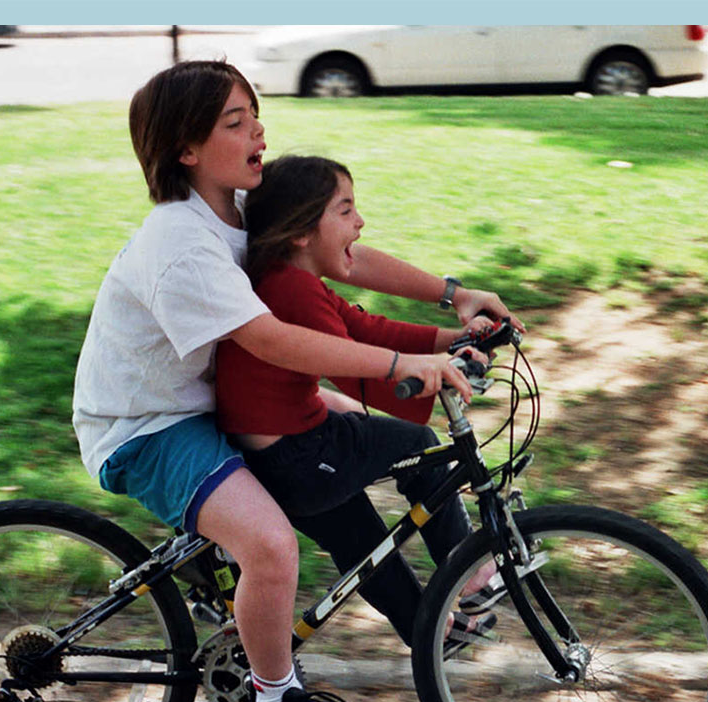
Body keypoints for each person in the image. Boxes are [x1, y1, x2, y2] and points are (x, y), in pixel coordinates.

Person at [71, 61, 518, 702]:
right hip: (147, 428)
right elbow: (270, 338)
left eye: (256, 114)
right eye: (235, 122)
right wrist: (406, 367)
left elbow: (349, 258)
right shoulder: (180, 245)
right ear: (186, 149)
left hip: (207, 406)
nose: (259, 131)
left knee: (348, 479)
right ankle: (275, 697)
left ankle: (428, 623)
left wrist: (454, 295)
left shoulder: (237, 211)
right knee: (273, 546)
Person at [215, 154, 505, 662]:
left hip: (278, 455)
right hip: (300, 451)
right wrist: (428, 373)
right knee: (423, 448)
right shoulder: (292, 290)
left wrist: (452, 339)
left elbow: (364, 332)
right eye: (345, 210)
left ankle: (426, 630)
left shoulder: (293, 280)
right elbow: (359, 368)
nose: (360, 222)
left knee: (363, 546)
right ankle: (473, 575)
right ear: (303, 232)